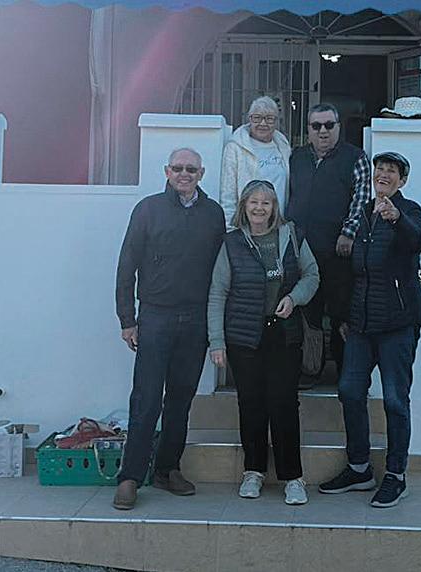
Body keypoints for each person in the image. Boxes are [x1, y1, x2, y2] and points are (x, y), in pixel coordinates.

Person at [113, 148, 225, 510]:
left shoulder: (213, 214)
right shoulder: (148, 209)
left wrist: (216, 325)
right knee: (146, 399)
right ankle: (130, 477)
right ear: (167, 171)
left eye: (191, 169)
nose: (184, 174)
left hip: (195, 320)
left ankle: (167, 469)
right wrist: (127, 319)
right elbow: (127, 265)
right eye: (178, 168)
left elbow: (220, 273)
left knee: (180, 399)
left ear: (201, 173)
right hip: (155, 317)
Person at [318, 152, 421, 508]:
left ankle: (396, 475)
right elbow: (350, 271)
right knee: (349, 391)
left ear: (402, 181)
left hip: (397, 326)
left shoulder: (409, 211)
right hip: (361, 327)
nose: (384, 174)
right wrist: (344, 317)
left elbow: (418, 242)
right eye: (380, 169)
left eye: (392, 171)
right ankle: (359, 468)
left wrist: (397, 219)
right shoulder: (362, 214)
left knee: (395, 400)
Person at [208, 180, 319, 505]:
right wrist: (216, 341)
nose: (259, 208)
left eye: (266, 203)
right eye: (253, 202)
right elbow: (218, 292)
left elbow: (312, 275)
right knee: (251, 404)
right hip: (244, 336)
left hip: (284, 333)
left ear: (274, 207)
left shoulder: (292, 236)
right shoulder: (231, 243)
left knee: (284, 404)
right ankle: (253, 471)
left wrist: (294, 298)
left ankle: (293, 477)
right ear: (244, 205)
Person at [286, 103, 371, 383]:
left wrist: (348, 232)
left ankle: (347, 377)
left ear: (338, 127)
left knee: (341, 313)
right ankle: (311, 370)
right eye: (316, 126)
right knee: (308, 314)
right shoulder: (296, 157)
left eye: (329, 125)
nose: (323, 131)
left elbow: (361, 200)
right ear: (308, 129)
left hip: (338, 251)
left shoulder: (355, 157)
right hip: (301, 251)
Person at [220, 96, 291, 229]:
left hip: (277, 225)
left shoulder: (283, 146)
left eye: (269, 118)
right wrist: (230, 228)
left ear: (276, 121)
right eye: (257, 118)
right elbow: (228, 193)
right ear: (249, 119)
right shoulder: (236, 147)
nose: (263, 123)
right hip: (248, 226)